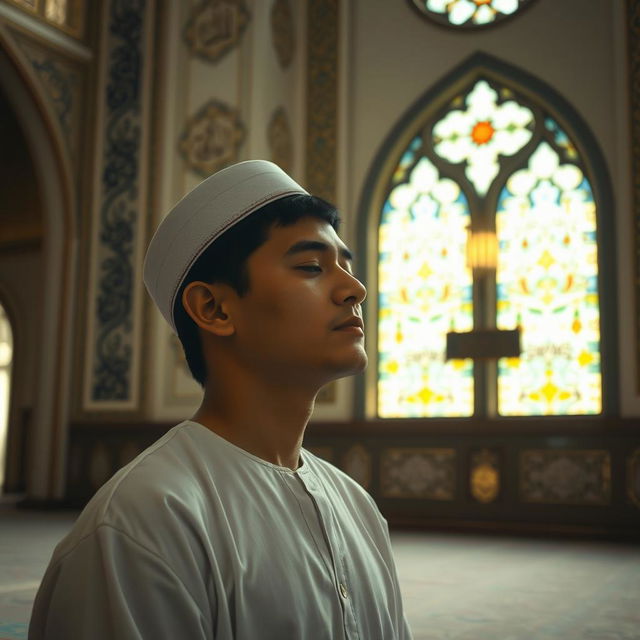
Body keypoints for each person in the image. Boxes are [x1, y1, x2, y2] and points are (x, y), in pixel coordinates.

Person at [29, 160, 412, 639]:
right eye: (311, 266)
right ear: (213, 308)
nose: (355, 289)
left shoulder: (356, 506)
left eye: (346, 265)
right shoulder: (146, 522)